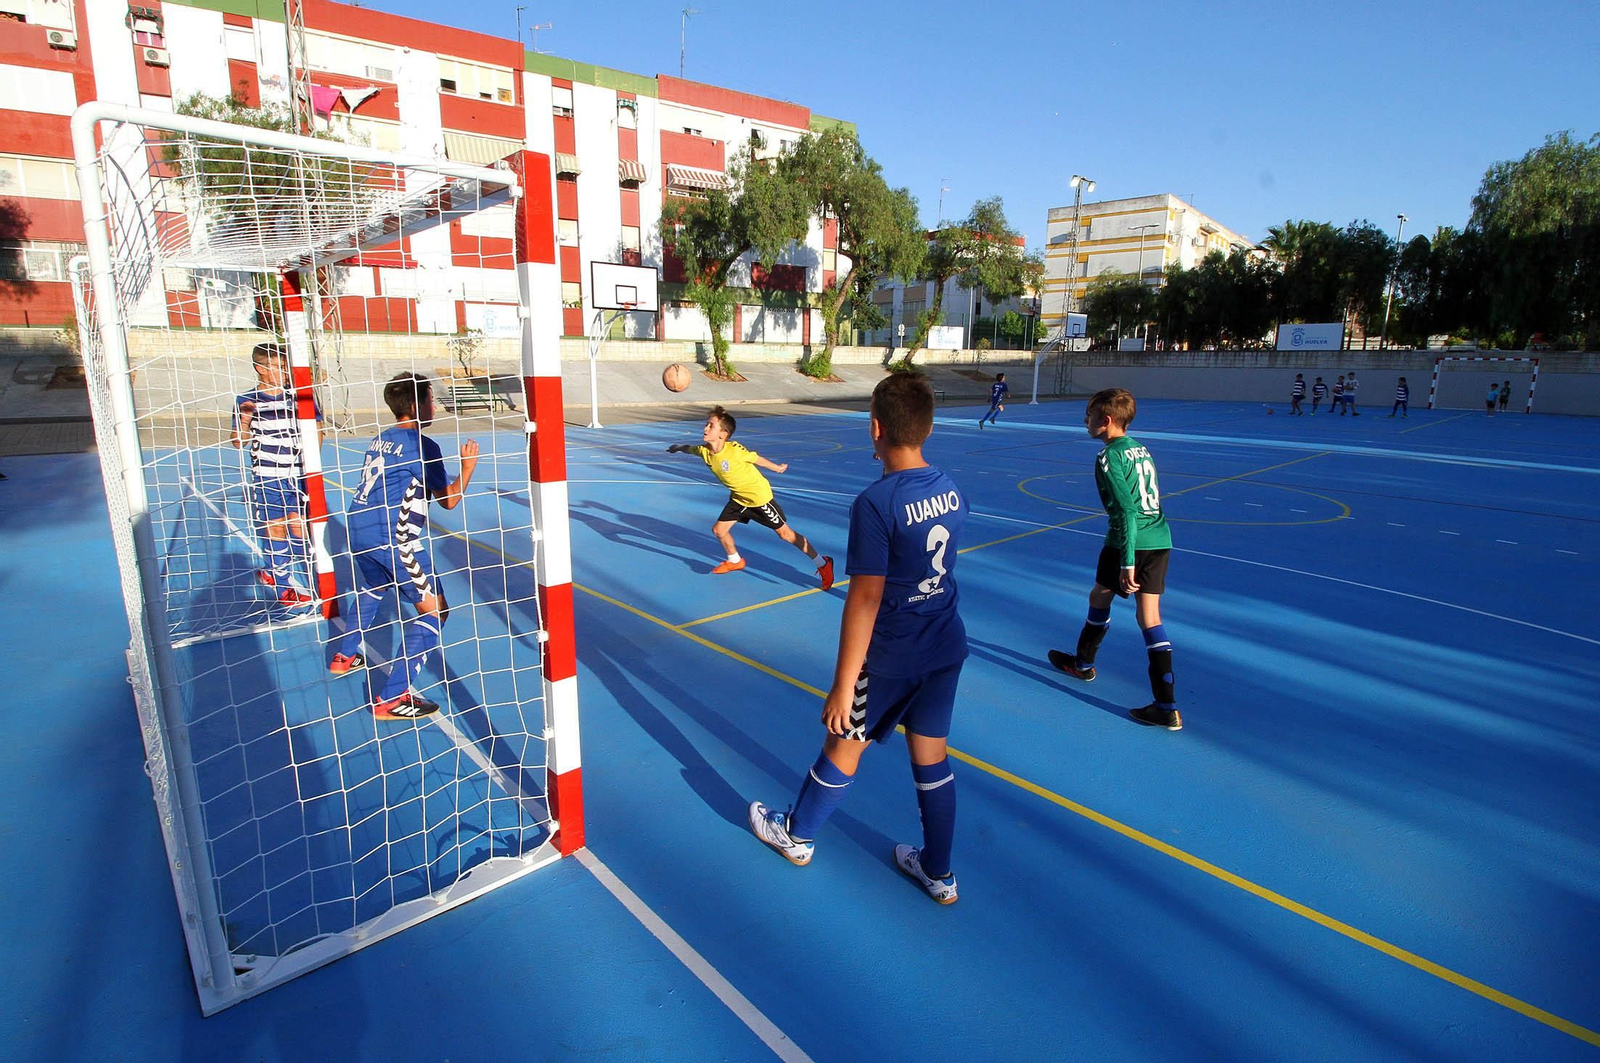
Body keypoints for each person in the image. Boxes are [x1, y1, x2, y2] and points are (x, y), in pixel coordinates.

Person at [748, 373, 967, 904]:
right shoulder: (949, 487)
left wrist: (844, 683)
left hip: (892, 653)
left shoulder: (876, 503)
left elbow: (865, 599)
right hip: (944, 645)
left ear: (875, 429)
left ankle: (797, 835)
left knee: (844, 744)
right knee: (932, 760)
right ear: (927, 427)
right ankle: (938, 871)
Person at [330, 372, 479, 720]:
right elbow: (449, 501)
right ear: (415, 404)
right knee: (435, 612)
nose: (435, 405)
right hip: (394, 539)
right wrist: (468, 467)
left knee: (373, 588)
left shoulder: (381, 439)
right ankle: (392, 698)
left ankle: (345, 656)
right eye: (430, 398)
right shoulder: (422, 445)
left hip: (360, 529)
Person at [1047, 387, 1180, 731]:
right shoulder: (1140, 448)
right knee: (1149, 617)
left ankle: (1083, 664)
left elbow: (1126, 510)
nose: (1085, 421)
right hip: (1160, 537)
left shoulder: (1108, 457)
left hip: (1128, 541)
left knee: (1100, 596)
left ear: (1105, 421)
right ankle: (1167, 705)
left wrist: (1127, 561)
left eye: (1089, 416)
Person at [665, 405, 833, 588]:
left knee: (786, 534)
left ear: (723, 434)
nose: (705, 429)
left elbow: (756, 458)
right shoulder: (704, 451)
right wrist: (678, 447)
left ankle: (823, 563)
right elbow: (690, 449)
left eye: (711, 426)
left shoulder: (735, 450)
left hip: (759, 499)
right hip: (739, 499)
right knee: (719, 531)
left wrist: (776, 468)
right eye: (706, 424)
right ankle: (735, 560)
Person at [231, 342, 318, 606]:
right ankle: (283, 586)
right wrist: (245, 420)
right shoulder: (247, 400)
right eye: (278, 367)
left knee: (300, 530)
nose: (284, 371)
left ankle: (279, 571)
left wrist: (311, 464)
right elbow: (238, 441)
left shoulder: (299, 396)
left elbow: (317, 430)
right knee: (276, 529)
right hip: (269, 477)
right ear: (261, 369)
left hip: (299, 476)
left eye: (284, 366)